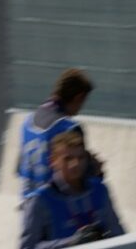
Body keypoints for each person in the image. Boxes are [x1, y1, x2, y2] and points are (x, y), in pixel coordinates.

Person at [21, 130, 126, 249]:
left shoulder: (99, 189)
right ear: (53, 161)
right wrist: (71, 243)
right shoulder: (40, 200)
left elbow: (119, 235)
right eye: (68, 159)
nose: (75, 164)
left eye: (80, 158)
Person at [18, 68, 98, 197]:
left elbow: (20, 169)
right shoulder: (69, 128)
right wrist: (95, 167)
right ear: (79, 97)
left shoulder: (27, 122)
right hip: (57, 205)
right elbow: (80, 175)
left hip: (29, 204)